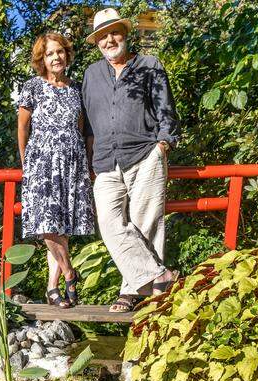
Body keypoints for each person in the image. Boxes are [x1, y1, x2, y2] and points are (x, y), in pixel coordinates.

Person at [81, 8, 180, 313]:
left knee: (144, 222)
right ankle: (159, 277)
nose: (109, 40)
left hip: (145, 153)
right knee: (110, 224)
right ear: (97, 42)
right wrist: (88, 159)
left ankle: (131, 291)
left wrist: (164, 143)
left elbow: (166, 109)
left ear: (124, 34)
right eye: (102, 36)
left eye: (114, 33)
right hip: (105, 161)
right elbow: (86, 120)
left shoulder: (149, 66)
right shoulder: (91, 74)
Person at [17, 32, 94, 309]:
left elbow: (84, 129)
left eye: (59, 51)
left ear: (67, 54)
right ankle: (71, 273)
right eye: (50, 53)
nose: (56, 57)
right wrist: (26, 163)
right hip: (41, 164)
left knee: (61, 227)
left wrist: (88, 161)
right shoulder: (33, 87)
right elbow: (23, 128)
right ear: (42, 59)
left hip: (72, 162)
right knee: (46, 226)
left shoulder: (77, 89)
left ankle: (52, 287)